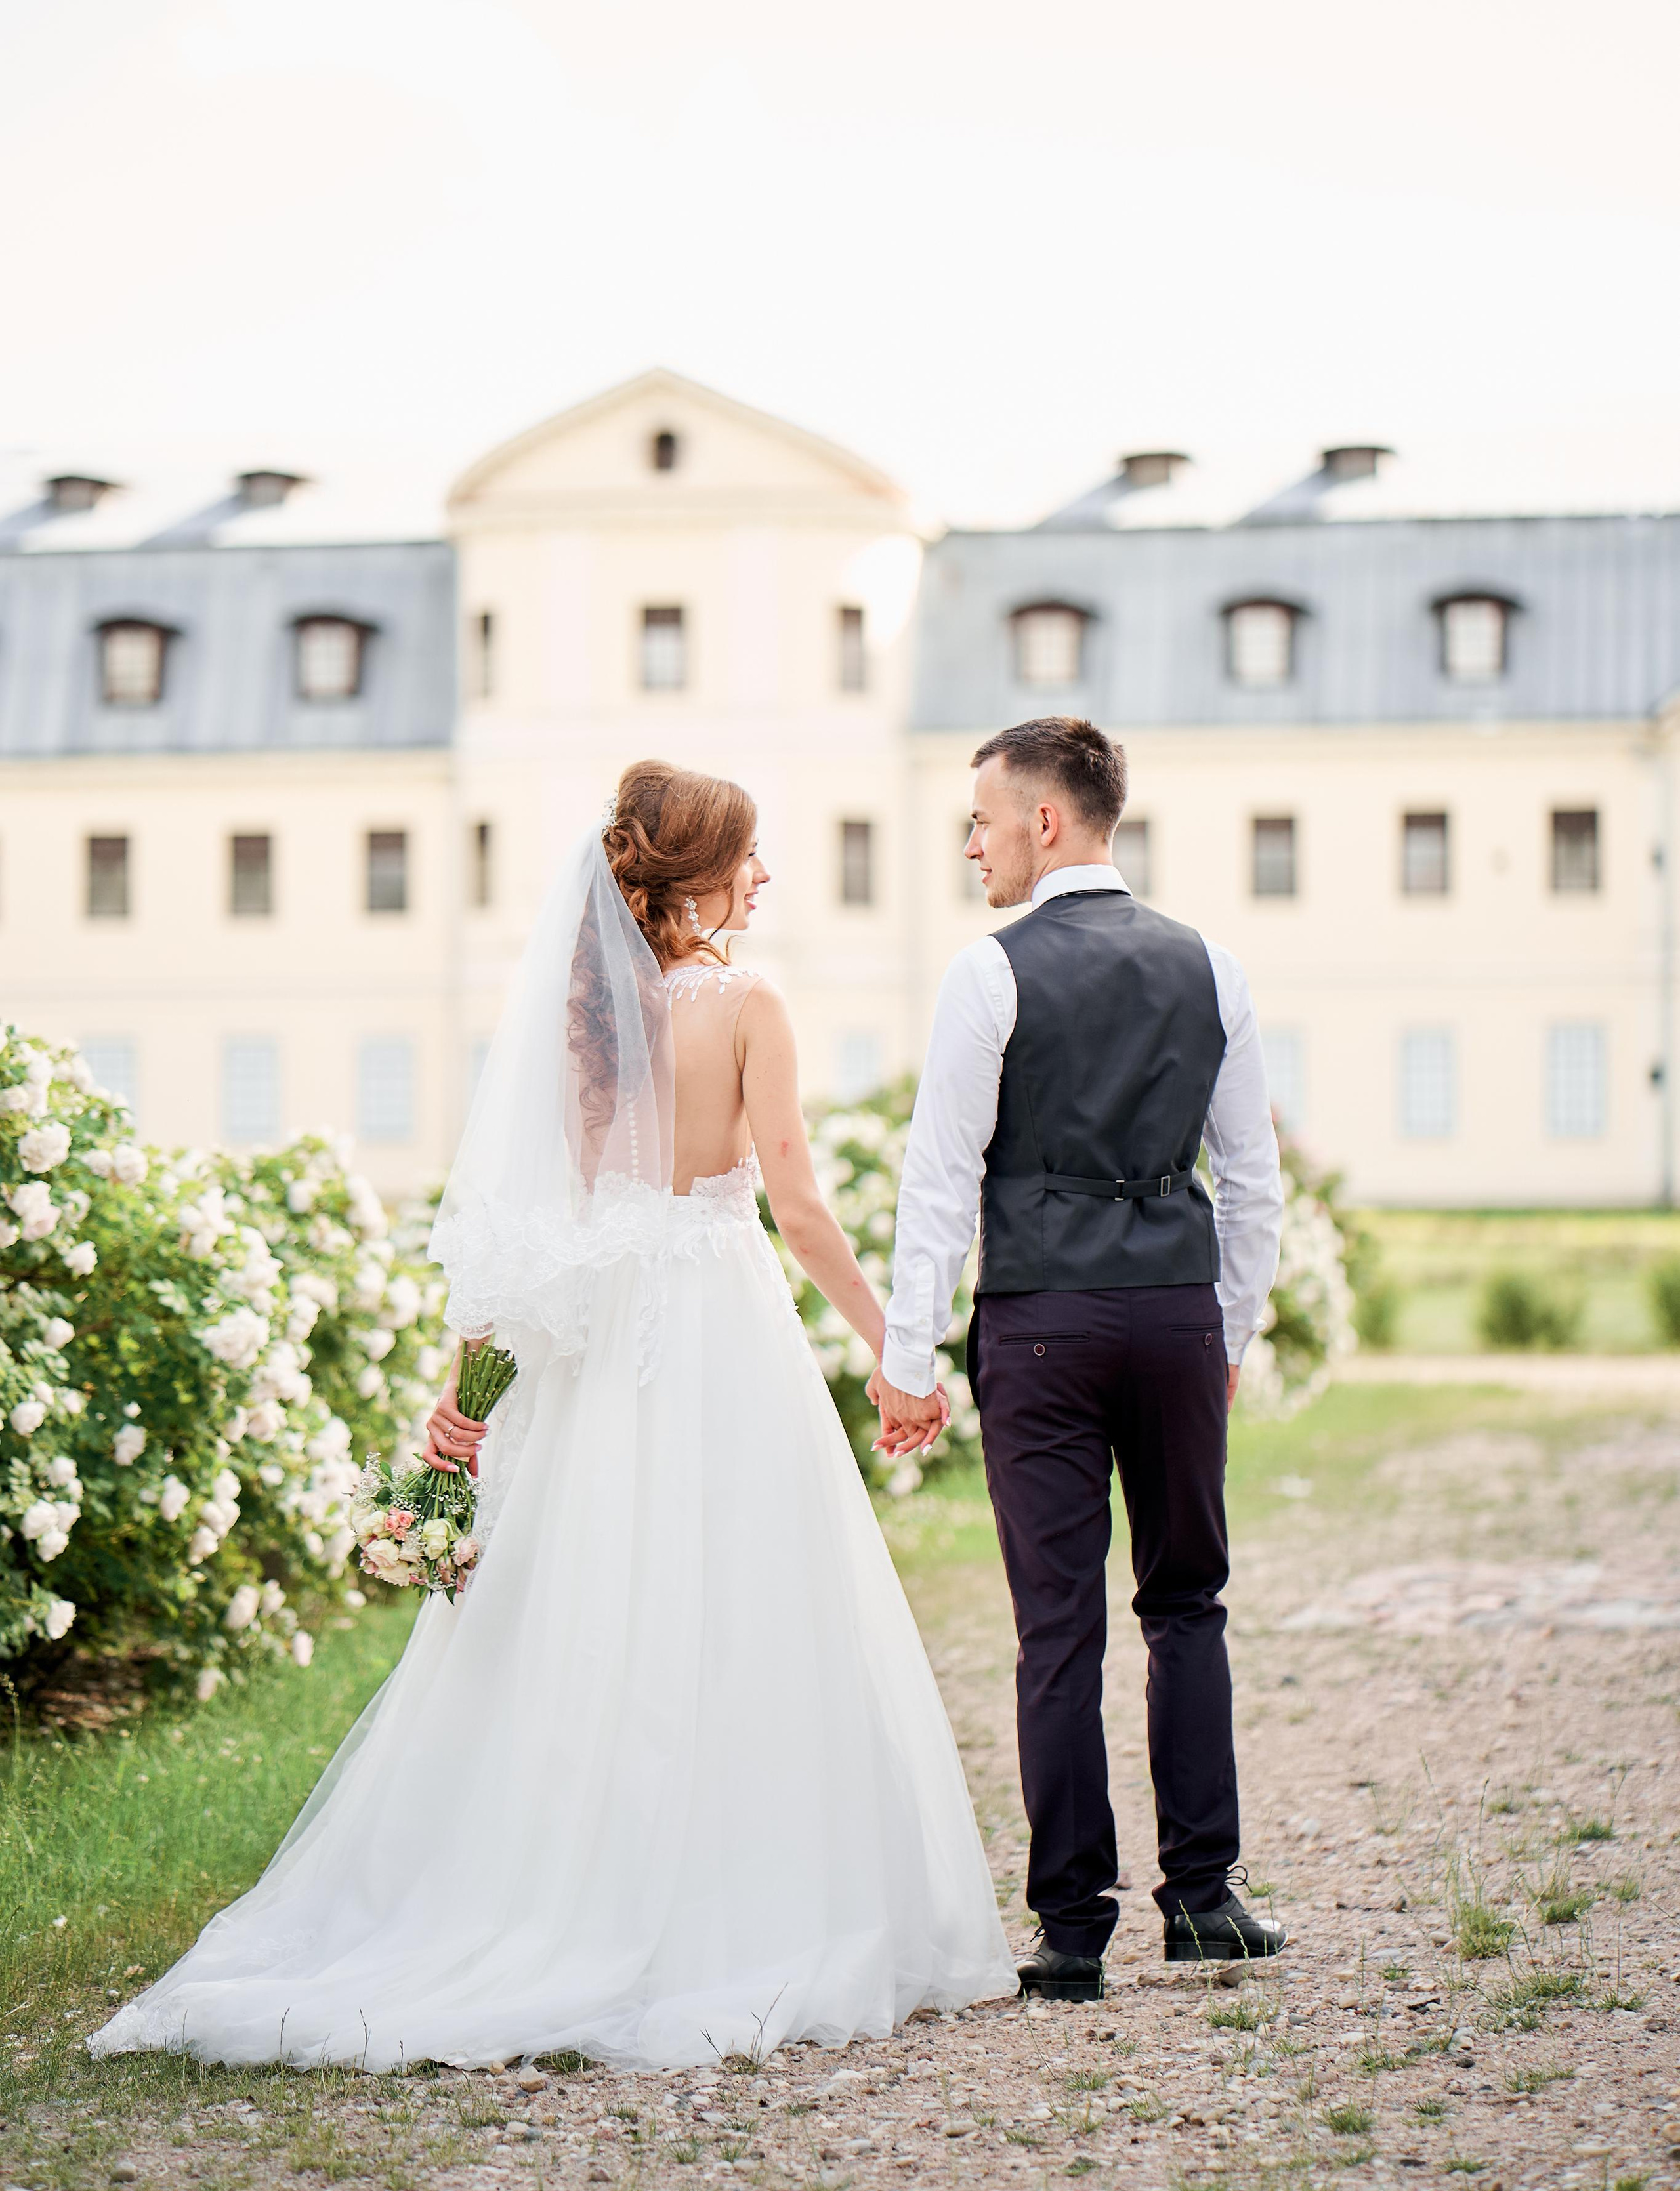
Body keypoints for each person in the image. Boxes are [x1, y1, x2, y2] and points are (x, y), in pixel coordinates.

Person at [91, 761, 1015, 2072]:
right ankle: (730, 1898)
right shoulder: (749, 1002)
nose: (766, 879)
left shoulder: (577, 1021)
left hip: (587, 1346)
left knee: (585, 1608)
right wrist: (900, 1355)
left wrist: (461, 1395)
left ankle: (554, 1883)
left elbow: (526, 1234)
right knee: (742, 1599)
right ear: (693, 876)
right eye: (750, 857)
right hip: (708, 1330)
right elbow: (796, 1208)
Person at [872, 717, 1286, 2000]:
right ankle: (1204, 1899)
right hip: (1169, 1311)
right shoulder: (1210, 965)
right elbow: (1252, 1181)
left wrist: (907, 1355)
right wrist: (1223, 1333)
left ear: (1044, 823)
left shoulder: (984, 976)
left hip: (1039, 1324)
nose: (969, 846)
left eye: (981, 822)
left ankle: (1069, 1933)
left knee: (1056, 1627)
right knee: (1186, 1606)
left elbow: (938, 1179)